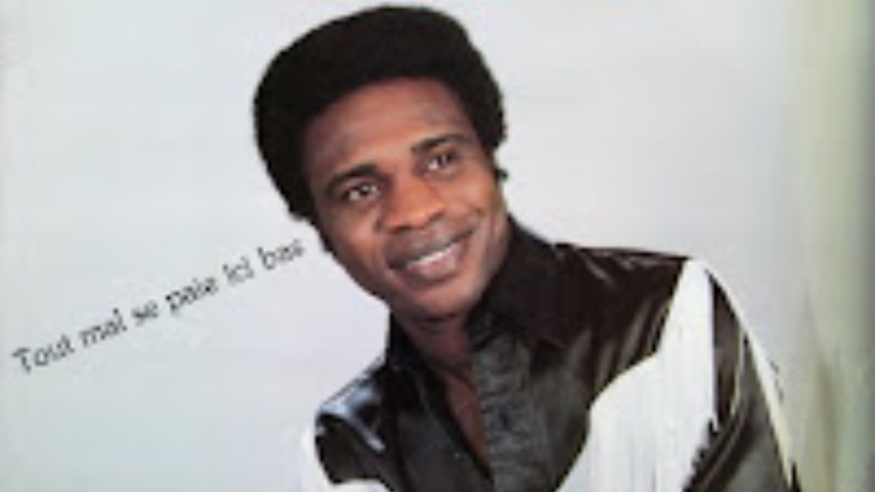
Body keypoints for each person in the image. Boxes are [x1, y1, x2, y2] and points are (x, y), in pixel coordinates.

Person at [253, 6, 801, 492]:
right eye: (360, 191)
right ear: (321, 228)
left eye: (441, 160)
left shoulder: (665, 320)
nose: (415, 211)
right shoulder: (342, 452)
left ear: (490, 161)